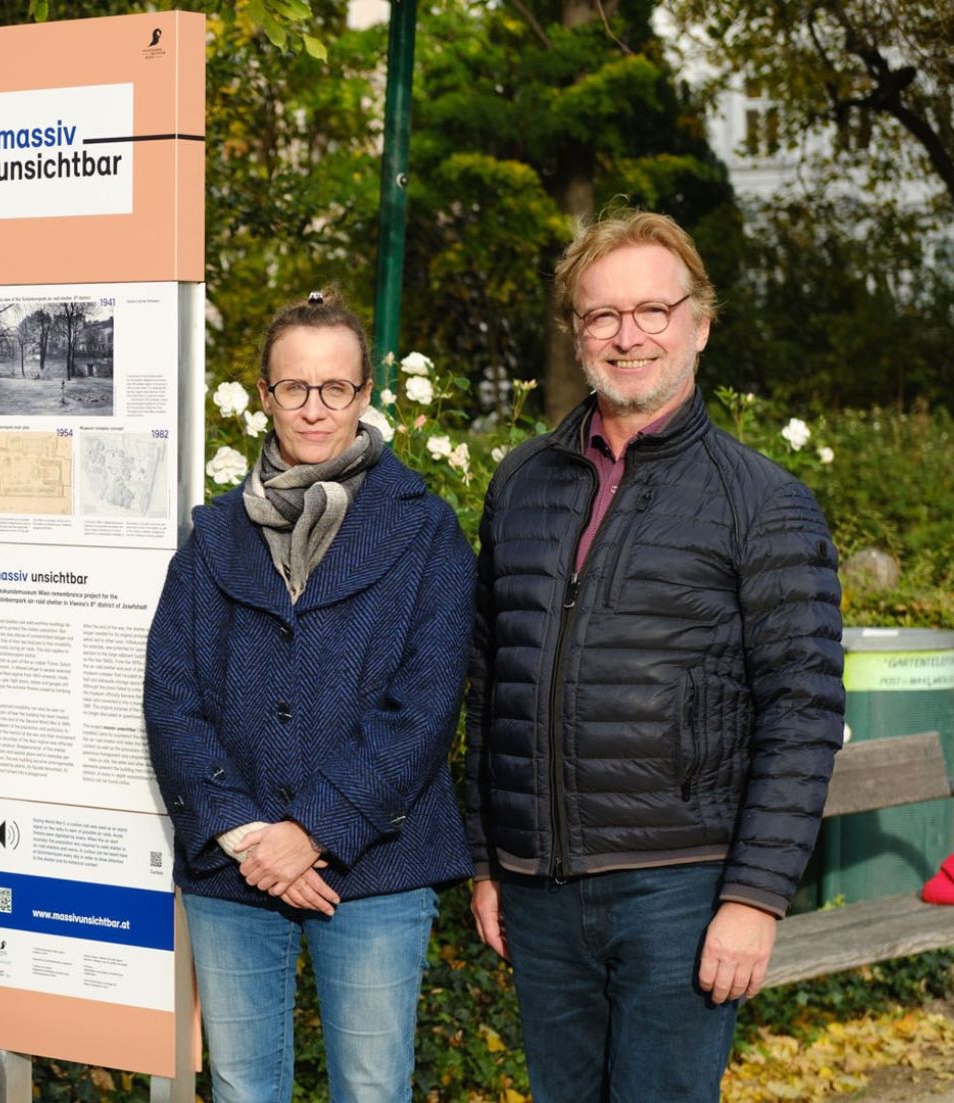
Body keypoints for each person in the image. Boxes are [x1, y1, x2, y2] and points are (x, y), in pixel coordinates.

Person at [463, 210, 845, 1102]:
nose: (627, 335)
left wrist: (753, 897)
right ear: (577, 333)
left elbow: (802, 713)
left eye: (652, 311)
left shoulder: (763, 503)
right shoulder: (521, 482)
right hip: (539, 890)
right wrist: (487, 861)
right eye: (602, 314)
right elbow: (491, 683)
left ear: (700, 324)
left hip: (682, 893)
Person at [143, 291, 474, 1103]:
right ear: (265, 393)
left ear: (364, 394)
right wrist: (250, 835)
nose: (315, 407)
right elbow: (171, 696)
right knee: (241, 1088)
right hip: (237, 863)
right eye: (295, 386)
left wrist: (316, 828)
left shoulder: (426, 528)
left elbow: (426, 704)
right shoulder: (214, 535)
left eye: (335, 387)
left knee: (370, 1087)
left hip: (378, 859)